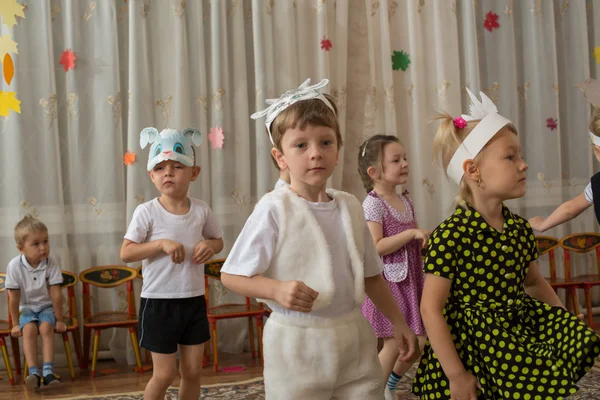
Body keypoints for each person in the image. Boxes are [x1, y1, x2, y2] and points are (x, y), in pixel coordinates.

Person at [220, 78, 419, 400]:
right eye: (301, 145)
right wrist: (275, 289)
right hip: (297, 345)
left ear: (338, 149)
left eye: (325, 142)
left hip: (353, 339)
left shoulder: (351, 207)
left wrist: (398, 321)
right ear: (280, 156)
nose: (315, 154)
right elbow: (231, 275)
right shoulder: (275, 209)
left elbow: (371, 275)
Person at [413, 89, 600, 399]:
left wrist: (566, 324)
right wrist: (457, 376)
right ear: (473, 170)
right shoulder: (452, 234)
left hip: (513, 333)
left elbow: (535, 282)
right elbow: (430, 309)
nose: (524, 165)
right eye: (511, 157)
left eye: (521, 155)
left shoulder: (517, 229)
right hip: (473, 346)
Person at [120, 127, 223, 400]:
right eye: (161, 167)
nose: (168, 172)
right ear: (151, 175)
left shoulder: (202, 209)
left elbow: (218, 241)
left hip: (193, 300)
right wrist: (160, 244)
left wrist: (209, 246)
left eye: (177, 166)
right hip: (158, 302)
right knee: (164, 374)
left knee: (192, 372)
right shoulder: (146, 212)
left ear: (194, 173)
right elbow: (126, 253)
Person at [358, 134, 429, 399]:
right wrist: (410, 235)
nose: (404, 164)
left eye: (405, 158)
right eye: (396, 160)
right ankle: (373, 392)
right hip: (390, 283)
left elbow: (410, 241)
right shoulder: (373, 204)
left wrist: (421, 243)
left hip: (412, 281)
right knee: (393, 343)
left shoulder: (406, 200)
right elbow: (376, 246)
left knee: (418, 341)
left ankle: (388, 385)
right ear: (375, 172)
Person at [7, 215, 65, 389]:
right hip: (26, 309)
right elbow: (14, 297)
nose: (43, 247)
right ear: (21, 248)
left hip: (46, 307)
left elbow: (55, 294)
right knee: (29, 329)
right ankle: (33, 372)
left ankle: (48, 371)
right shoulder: (14, 266)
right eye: (36, 244)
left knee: (46, 327)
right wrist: (15, 323)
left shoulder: (51, 262)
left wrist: (60, 319)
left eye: (46, 241)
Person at [529, 108, 600, 231]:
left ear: (597, 150)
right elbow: (569, 209)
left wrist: (542, 224)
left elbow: (569, 209)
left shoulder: (597, 184)